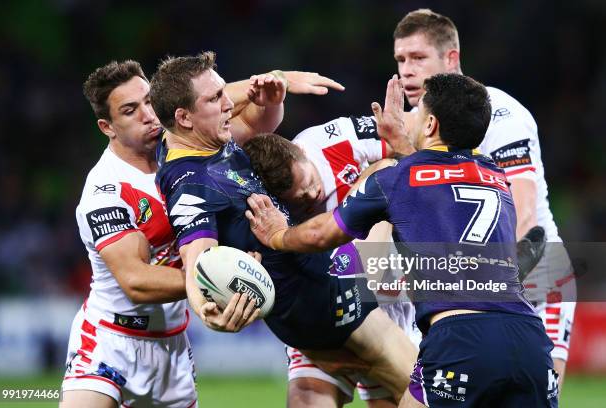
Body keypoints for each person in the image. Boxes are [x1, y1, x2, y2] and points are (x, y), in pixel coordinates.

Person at [246, 73, 558, 407]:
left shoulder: (395, 178)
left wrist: (278, 235)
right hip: (530, 341)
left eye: (418, 113)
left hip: (459, 338)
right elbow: (439, 184)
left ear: (430, 124)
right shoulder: (495, 176)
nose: (412, 117)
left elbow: (320, 233)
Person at [61, 59, 342, 407]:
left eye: (149, 101)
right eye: (130, 111)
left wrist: (279, 79)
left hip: (172, 342)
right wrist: (223, 276)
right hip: (110, 339)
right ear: (108, 126)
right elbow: (135, 280)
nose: (148, 115)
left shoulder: (183, 150)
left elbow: (219, 103)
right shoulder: (106, 190)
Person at [151, 51, 417, 403]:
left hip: (317, 290)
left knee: (404, 388)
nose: (229, 102)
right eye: (215, 99)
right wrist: (206, 310)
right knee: (431, 389)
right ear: (184, 118)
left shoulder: (204, 140)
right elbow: (196, 257)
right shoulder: (191, 182)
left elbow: (255, 118)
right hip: (326, 304)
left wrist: (282, 79)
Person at [389, 8, 575, 389]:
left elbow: (526, 220)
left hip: (536, 280)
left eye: (419, 58)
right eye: (401, 60)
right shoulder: (413, 125)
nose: (407, 70)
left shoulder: (501, 117)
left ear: (451, 59)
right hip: (462, 288)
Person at [243, 78, 419, 407]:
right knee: (306, 399)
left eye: (309, 181)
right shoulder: (262, 210)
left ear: (299, 152)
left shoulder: (334, 140)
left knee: (385, 172)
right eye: (301, 201)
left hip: (389, 296)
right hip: (322, 309)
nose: (313, 195)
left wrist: (404, 138)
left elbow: (413, 151)